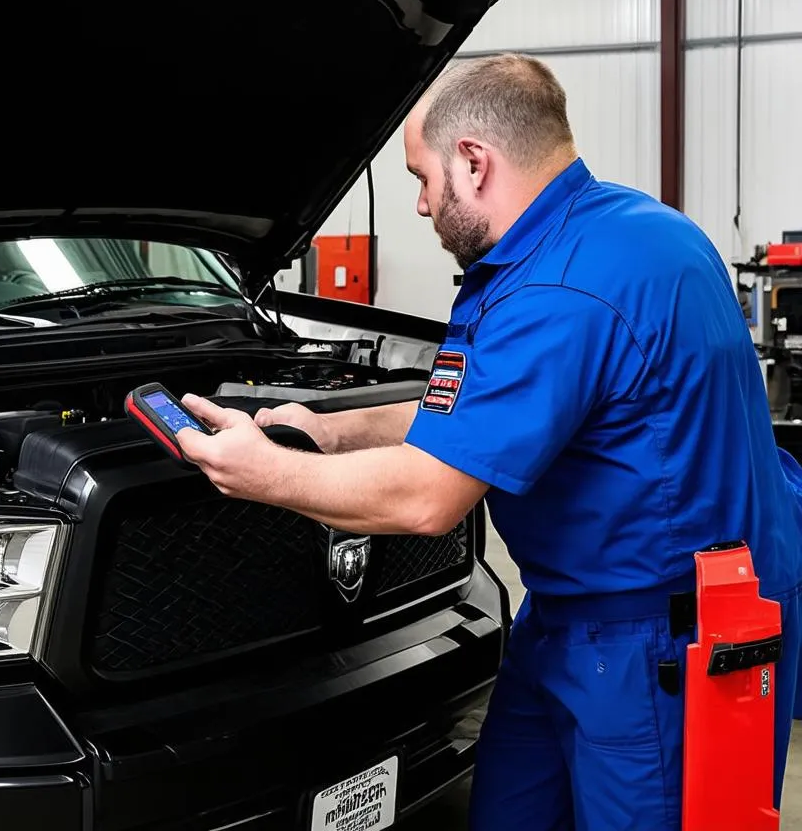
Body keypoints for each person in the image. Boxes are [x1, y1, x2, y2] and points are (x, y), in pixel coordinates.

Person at [175, 53, 802, 830]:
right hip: (573, 616)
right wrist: (327, 430)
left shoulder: (559, 290)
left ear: (475, 161)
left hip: (657, 647)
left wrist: (261, 473)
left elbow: (429, 496)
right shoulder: (631, 230)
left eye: (422, 179)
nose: (419, 205)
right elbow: (486, 412)